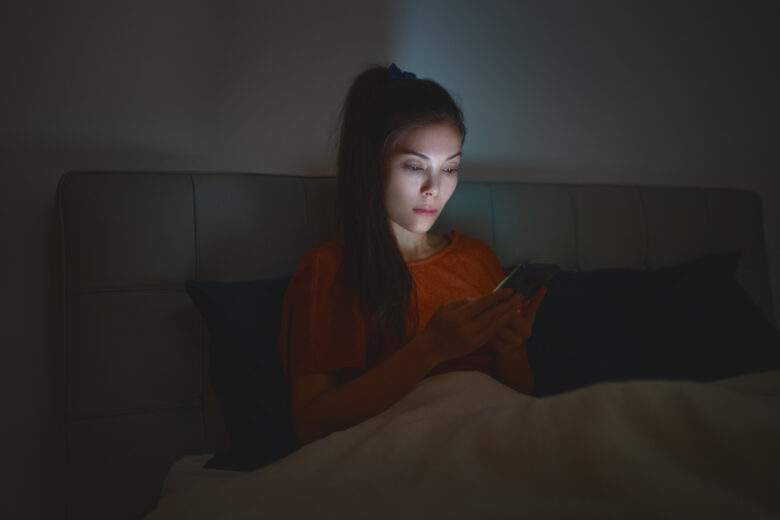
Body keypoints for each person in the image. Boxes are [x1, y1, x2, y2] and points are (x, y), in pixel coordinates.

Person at [276, 63, 547, 446]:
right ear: (372, 167)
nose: (433, 188)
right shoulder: (330, 271)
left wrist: (512, 349)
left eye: (450, 168)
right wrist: (430, 349)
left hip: (497, 435)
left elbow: (523, 399)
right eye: (415, 166)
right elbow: (311, 425)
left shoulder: (476, 257)